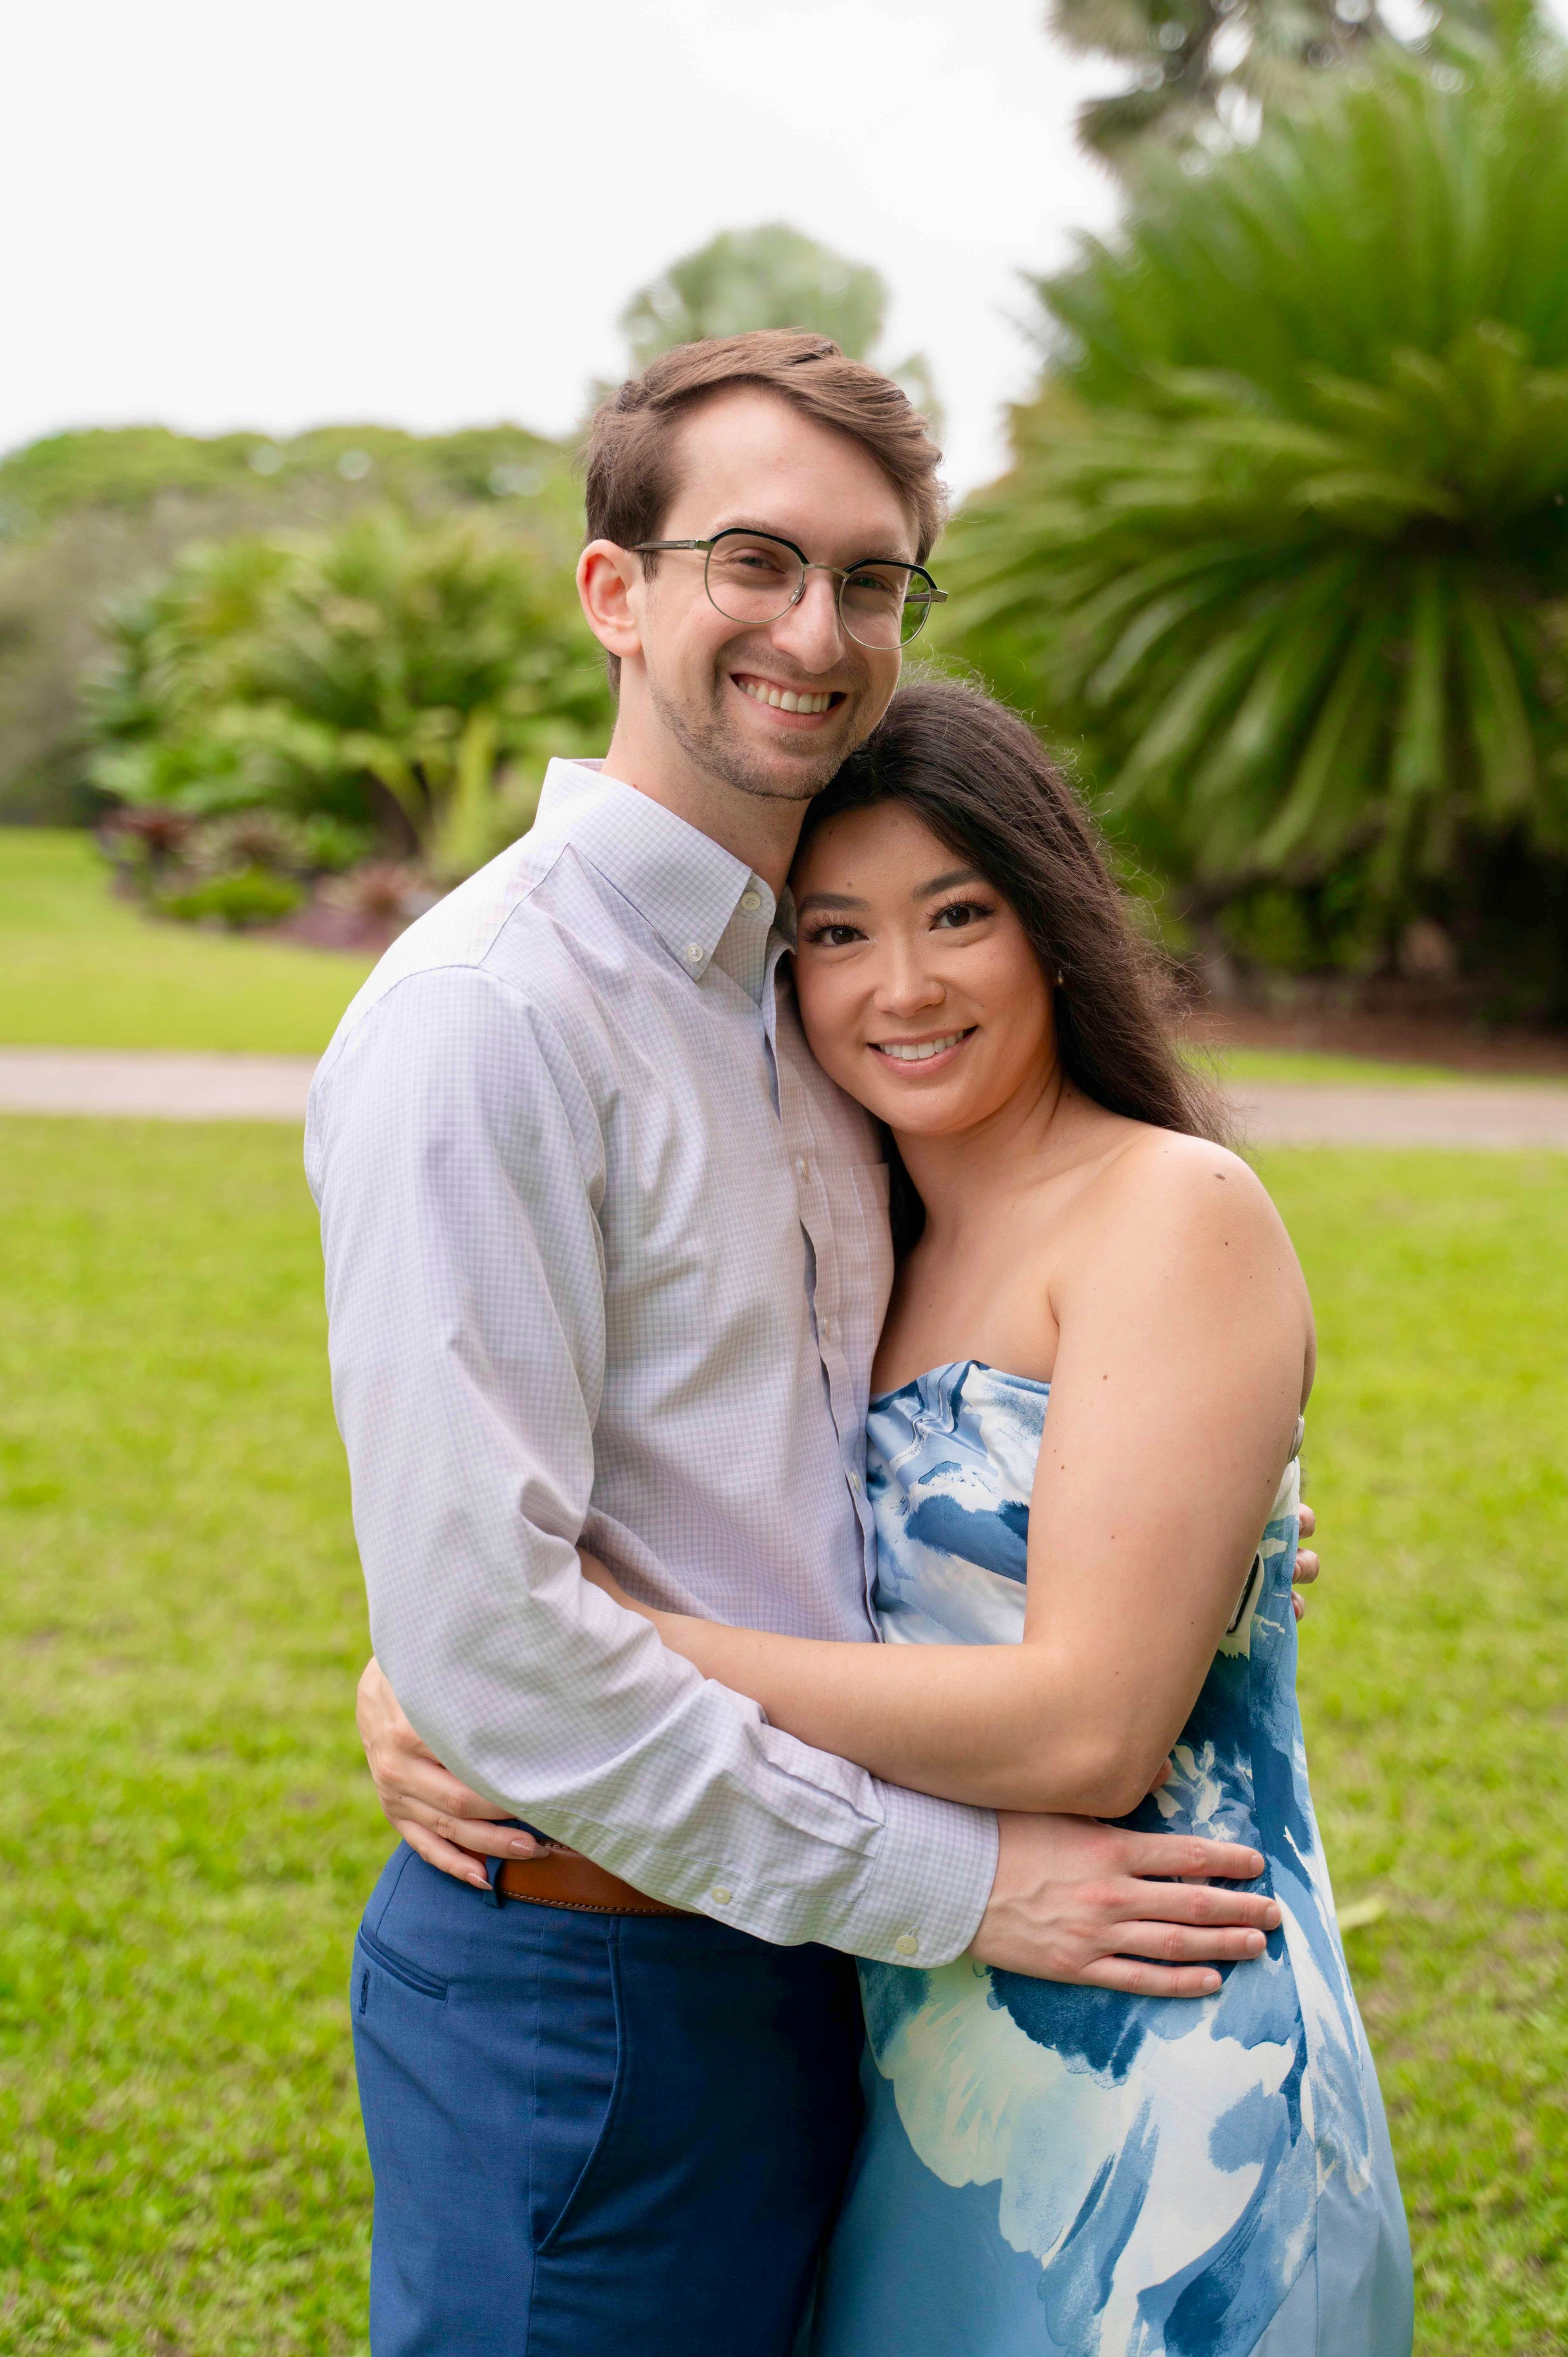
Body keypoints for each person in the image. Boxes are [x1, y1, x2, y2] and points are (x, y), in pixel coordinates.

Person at [313, 331, 1318, 2357]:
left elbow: (894, 1453)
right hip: (597, 1998)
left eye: (873, 579)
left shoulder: (805, 1013)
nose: (816, 625)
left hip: (841, 1990)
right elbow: (492, 1618)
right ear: (618, 590)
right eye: (753, 560)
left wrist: (1202, 1546)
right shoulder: (489, 1016)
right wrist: (454, 1656)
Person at [563, 681, 1414, 2356]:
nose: (902, 986)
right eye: (834, 931)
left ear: (1051, 924)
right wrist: (444, 1674)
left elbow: (1089, 1727)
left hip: (1167, 2084)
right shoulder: (852, 1243)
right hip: (921, 2061)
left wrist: (602, 1649)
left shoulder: (1166, 1206)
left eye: (959, 914)